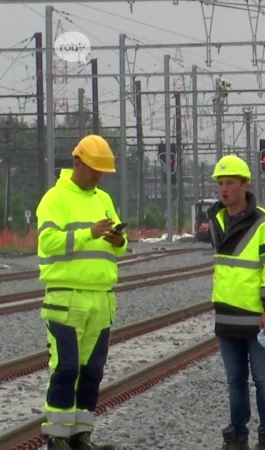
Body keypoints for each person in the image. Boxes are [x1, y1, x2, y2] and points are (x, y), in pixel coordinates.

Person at [37, 135, 127, 450]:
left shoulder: (103, 199)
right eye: (94, 169)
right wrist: (89, 233)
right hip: (66, 298)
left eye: (102, 172)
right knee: (66, 368)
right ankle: (57, 438)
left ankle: (80, 436)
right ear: (77, 162)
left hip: (101, 299)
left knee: (91, 371)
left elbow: (118, 246)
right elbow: (47, 242)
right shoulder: (55, 198)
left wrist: (119, 241)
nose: (98, 177)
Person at [208, 155, 265, 450]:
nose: (224, 189)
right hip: (227, 315)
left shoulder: (264, 224)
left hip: (257, 317)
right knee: (235, 382)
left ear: (245, 185)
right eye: (220, 183)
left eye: (230, 183)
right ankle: (238, 436)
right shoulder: (216, 219)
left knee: (263, 379)